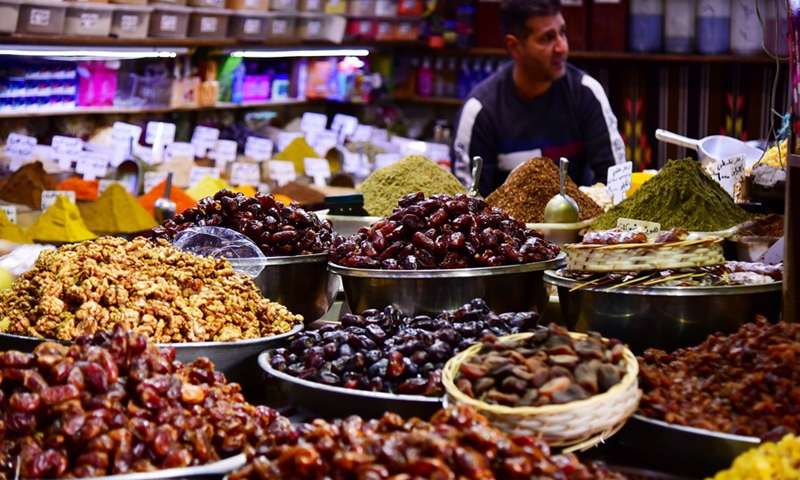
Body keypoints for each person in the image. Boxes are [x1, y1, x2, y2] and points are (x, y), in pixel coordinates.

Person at [451, 0, 627, 197]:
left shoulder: (587, 93)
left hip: (580, 225)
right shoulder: (479, 111)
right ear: (514, 46)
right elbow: (467, 203)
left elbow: (616, 184)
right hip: (503, 227)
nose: (562, 47)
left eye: (563, 32)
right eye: (547, 38)